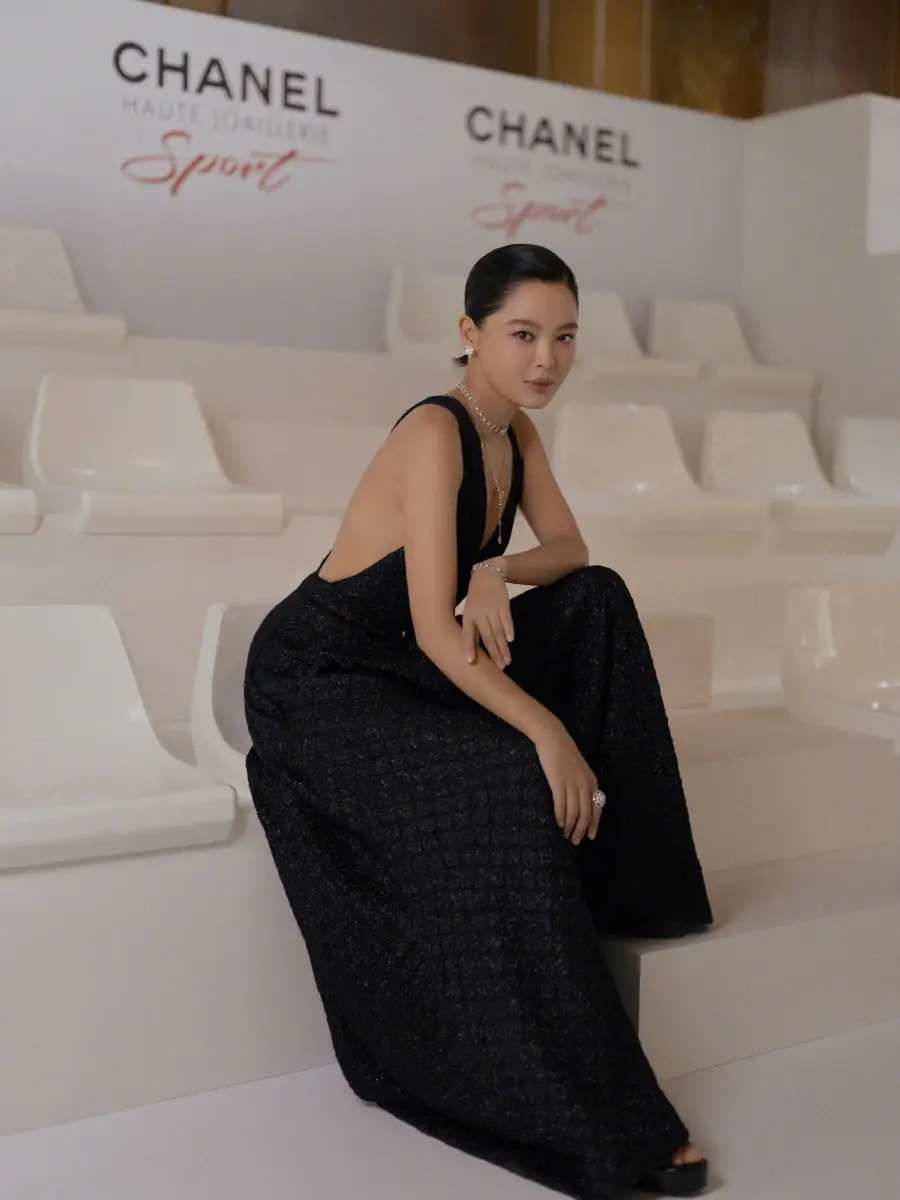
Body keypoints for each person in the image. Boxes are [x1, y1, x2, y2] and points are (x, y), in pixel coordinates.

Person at [244, 244, 714, 1199]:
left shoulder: (518, 435)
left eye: (565, 338)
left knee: (597, 599)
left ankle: (630, 887)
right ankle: (600, 1112)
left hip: (415, 662)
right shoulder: (436, 432)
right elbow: (432, 629)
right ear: (470, 333)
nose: (546, 359)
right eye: (523, 334)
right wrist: (547, 732)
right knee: (511, 773)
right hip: (325, 679)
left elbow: (570, 547)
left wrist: (497, 567)